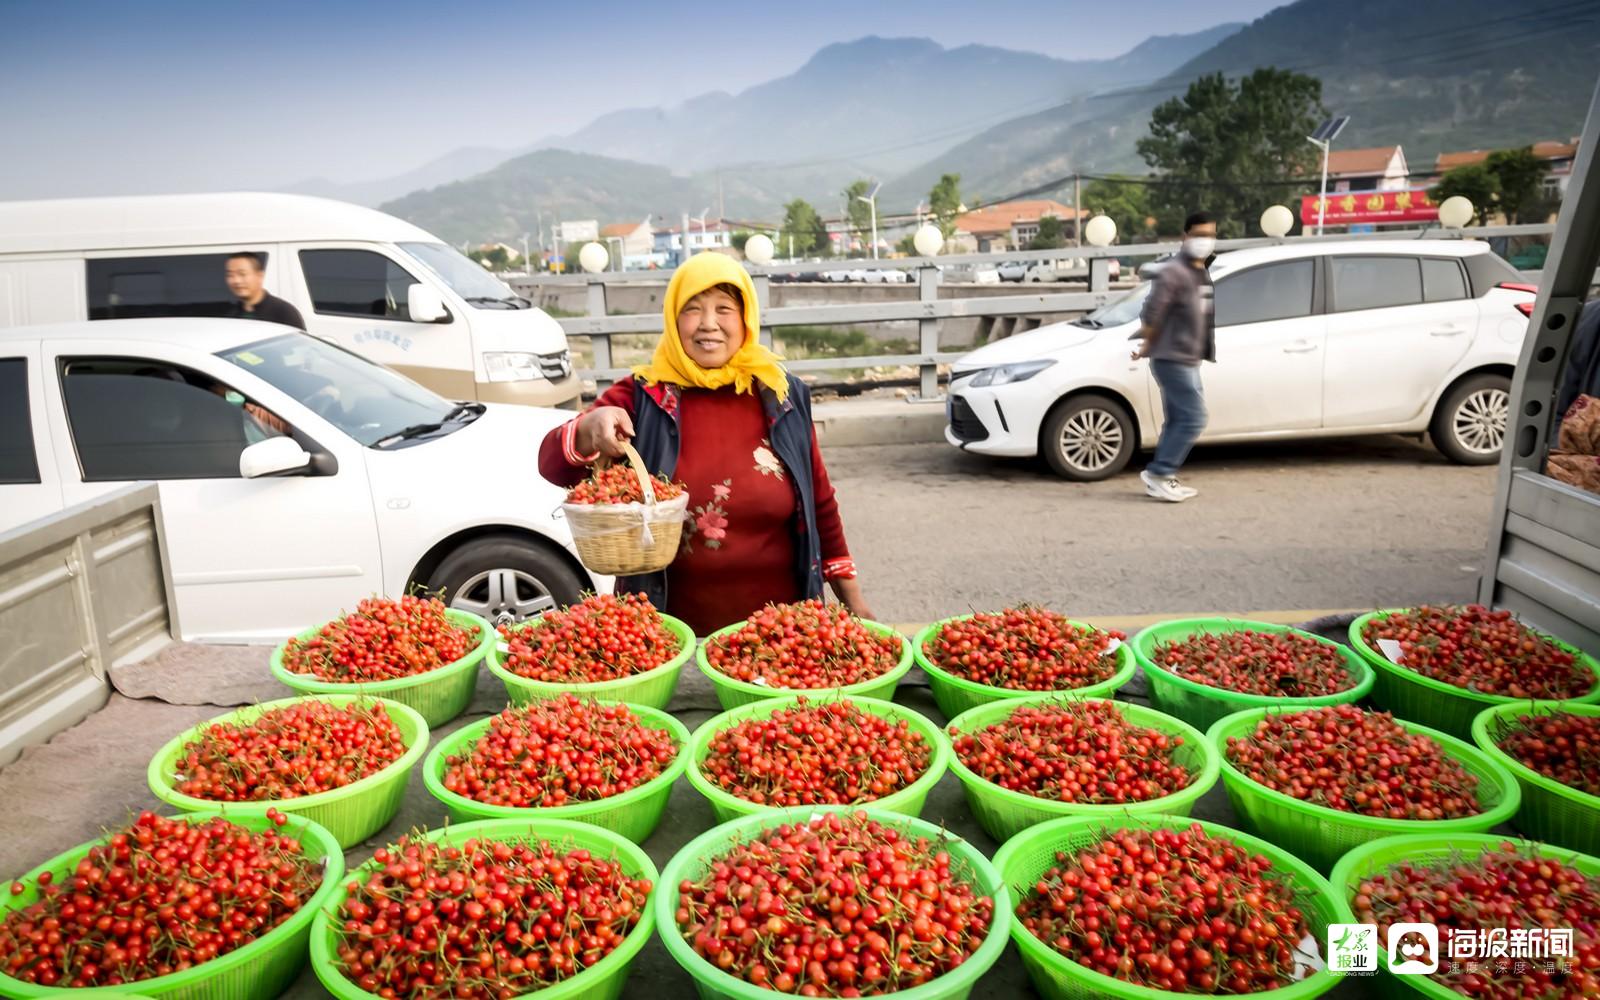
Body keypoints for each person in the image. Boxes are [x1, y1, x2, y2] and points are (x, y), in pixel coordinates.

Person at [538, 252, 872, 635]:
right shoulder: (641, 396)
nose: (709, 324)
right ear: (673, 318)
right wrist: (587, 428)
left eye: (724, 309)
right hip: (667, 634)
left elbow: (820, 501)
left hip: (782, 635)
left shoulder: (781, 394)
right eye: (693, 309)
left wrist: (853, 601)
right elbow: (552, 464)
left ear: (745, 317)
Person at [1132, 211, 1217, 502]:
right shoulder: (1174, 271)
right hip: (1173, 358)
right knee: (1194, 418)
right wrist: (1146, 344)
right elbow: (1152, 311)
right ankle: (1159, 472)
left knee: (1179, 418)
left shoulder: (1198, 271)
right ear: (1185, 237)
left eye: (1210, 235)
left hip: (1189, 358)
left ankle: (1160, 476)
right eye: (1199, 235)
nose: (1205, 241)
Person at [224, 252, 305, 328]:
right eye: (230, 275)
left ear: (260, 276)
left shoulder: (284, 312)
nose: (236, 281)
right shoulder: (231, 316)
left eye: (242, 274)